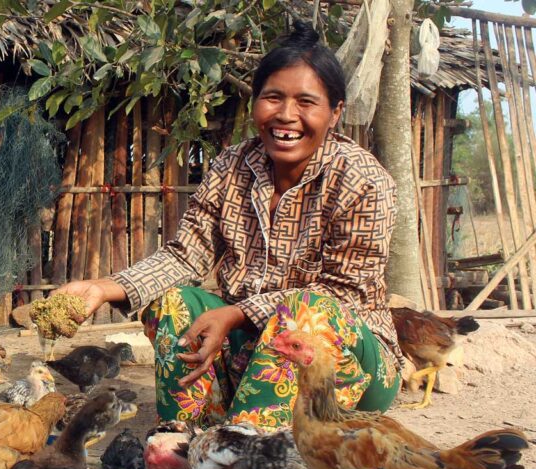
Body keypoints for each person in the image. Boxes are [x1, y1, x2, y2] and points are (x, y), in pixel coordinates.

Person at [54, 21, 403, 430]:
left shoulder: (362, 180)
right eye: (273, 97)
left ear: (335, 112)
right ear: (256, 102)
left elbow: (342, 293)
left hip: (345, 366)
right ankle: (184, 440)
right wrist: (101, 288)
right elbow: (187, 254)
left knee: (307, 312)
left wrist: (237, 313)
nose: (286, 115)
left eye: (306, 102)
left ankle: (247, 456)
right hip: (252, 356)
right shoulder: (233, 166)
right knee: (175, 303)